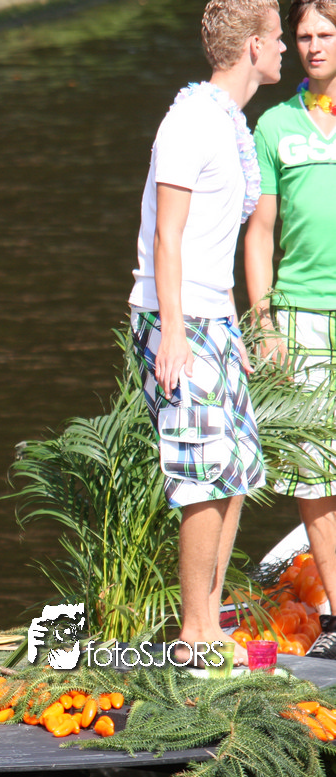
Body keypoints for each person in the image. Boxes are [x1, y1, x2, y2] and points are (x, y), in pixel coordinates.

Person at [128, 0, 283, 665]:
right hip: (175, 318)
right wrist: (173, 333)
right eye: (278, 37)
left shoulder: (228, 121)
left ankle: (209, 624)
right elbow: (168, 234)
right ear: (253, 46)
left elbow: (212, 242)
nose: (285, 48)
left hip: (209, 315)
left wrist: (230, 323)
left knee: (237, 468)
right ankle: (194, 635)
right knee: (201, 474)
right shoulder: (191, 120)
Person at [245, 0, 336, 658]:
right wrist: (263, 320)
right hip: (301, 317)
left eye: (325, 33)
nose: (313, 45)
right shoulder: (274, 124)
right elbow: (259, 232)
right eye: (302, 35)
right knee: (316, 474)